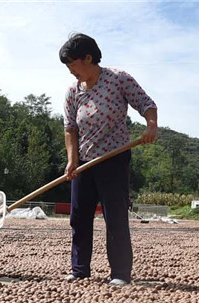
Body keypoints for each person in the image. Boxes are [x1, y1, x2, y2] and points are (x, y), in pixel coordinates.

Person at [60, 33, 158, 287]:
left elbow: (146, 103)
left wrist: (151, 125)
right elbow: (70, 128)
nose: (71, 71)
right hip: (84, 163)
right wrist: (72, 160)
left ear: (88, 58)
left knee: (115, 217)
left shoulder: (118, 79)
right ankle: (80, 269)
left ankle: (120, 273)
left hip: (114, 159)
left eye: (73, 64)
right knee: (79, 216)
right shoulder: (73, 92)